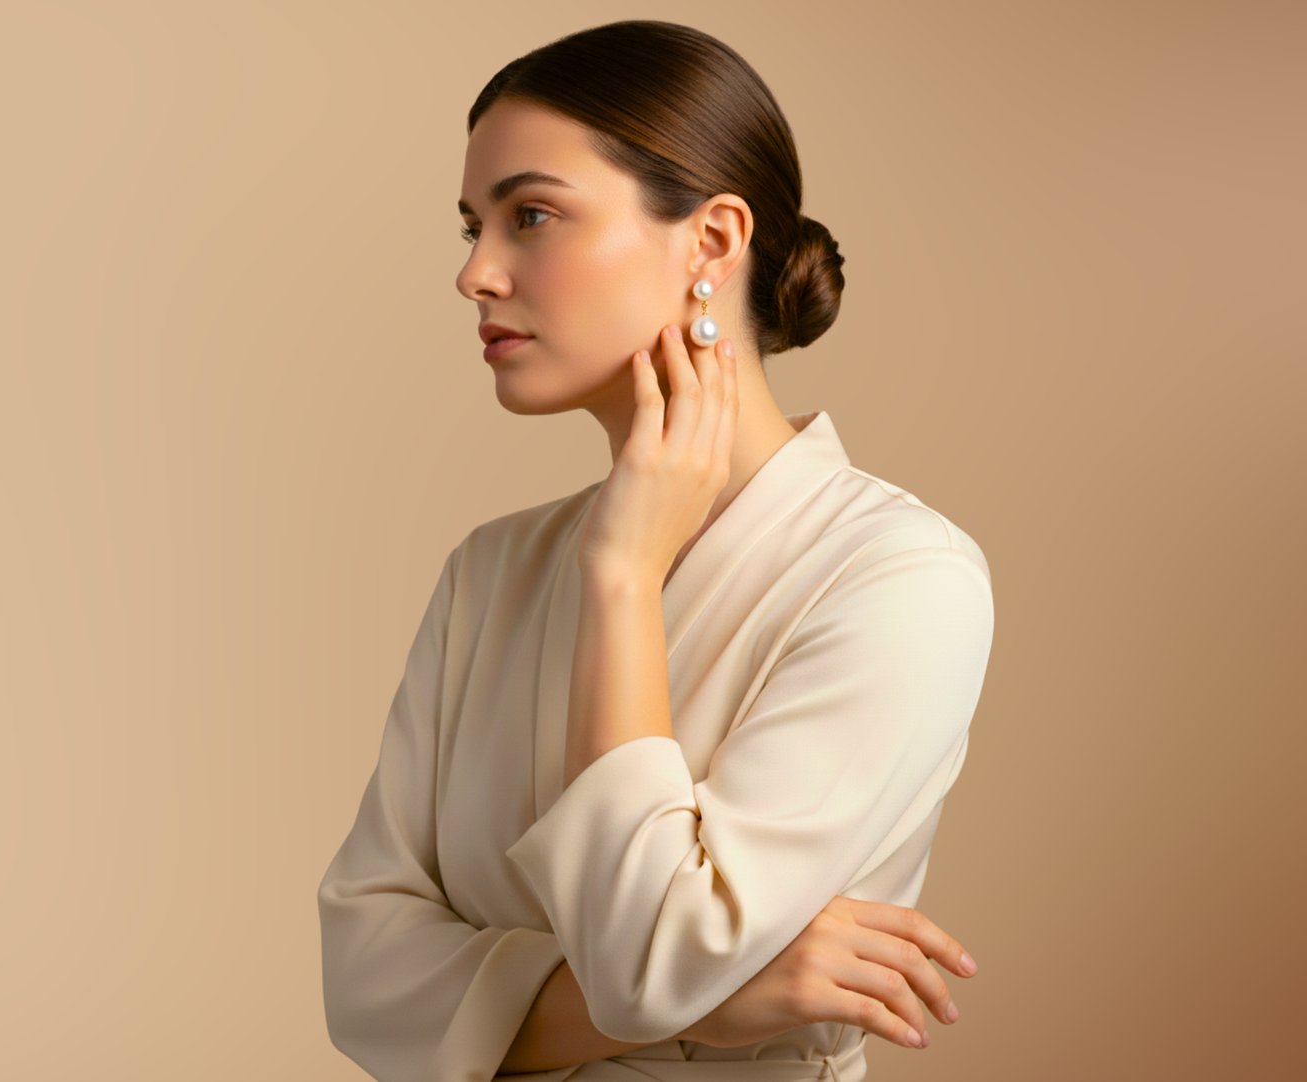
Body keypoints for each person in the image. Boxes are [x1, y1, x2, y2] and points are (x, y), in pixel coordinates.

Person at [316, 20, 994, 1082]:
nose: (476, 274)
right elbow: (363, 972)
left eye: (530, 215)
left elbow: (644, 967)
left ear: (714, 243)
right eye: (471, 226)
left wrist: (624, 572)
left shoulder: (899, 578)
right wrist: (720, 1000)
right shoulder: (490, 572)